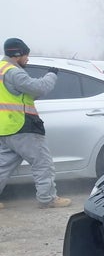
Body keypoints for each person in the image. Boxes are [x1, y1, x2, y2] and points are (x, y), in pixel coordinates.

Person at [0, 37, 70, 209]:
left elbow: (23, 93)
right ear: (17, 54)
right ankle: (48, 198)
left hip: (5, 128)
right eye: (26, 55)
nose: (28, 58)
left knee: (3, 166)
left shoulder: (2, 70)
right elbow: (40, 88)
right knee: (42, 163)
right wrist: (51, 75)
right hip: (23, 125)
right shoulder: (14, 72)